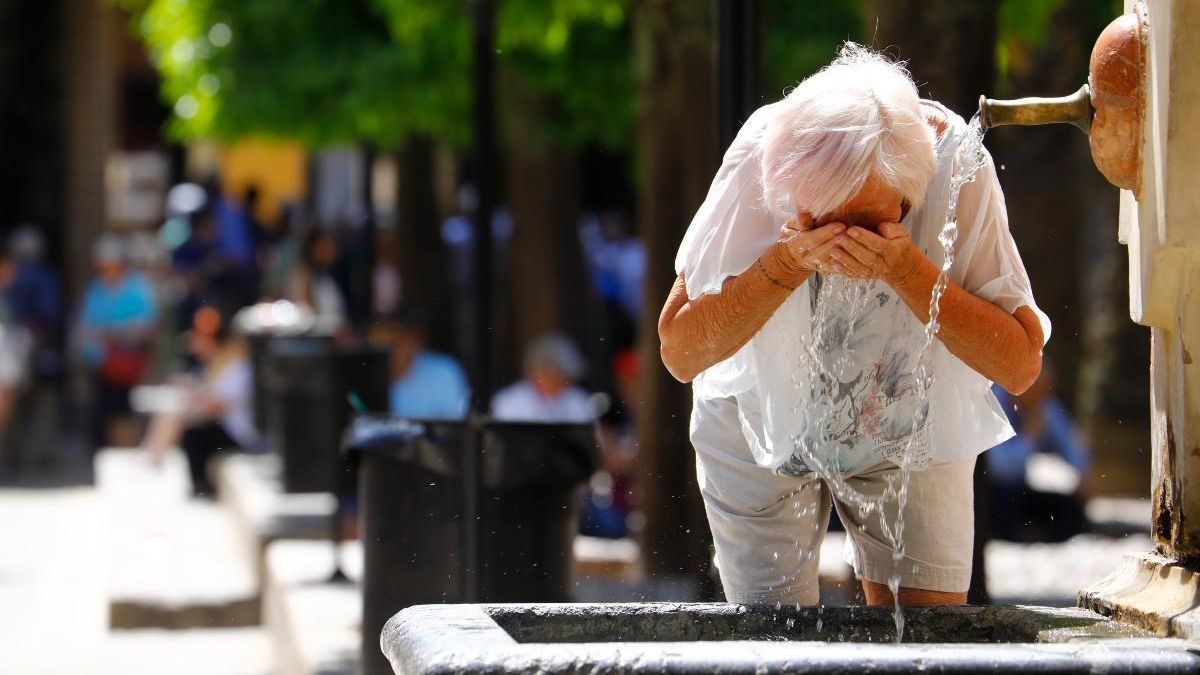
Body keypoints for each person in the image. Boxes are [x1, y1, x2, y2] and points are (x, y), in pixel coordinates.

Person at [657, 45, 1049, 607]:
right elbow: (680, 350)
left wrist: (909, 270)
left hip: (910, 415)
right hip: (759, 417)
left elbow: (1019, 365)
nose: (840, 241)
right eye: (818, 218)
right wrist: (785, 263)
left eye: (865, 222)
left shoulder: (957, 168)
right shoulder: (763, 154)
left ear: (913, 192)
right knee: (775, 643)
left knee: (926, 643)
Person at [987, 365, 1091, 542]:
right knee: (1004, 501)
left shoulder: (1043, 406)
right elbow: (1000, 467)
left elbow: (1071, 445)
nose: (1042, 398)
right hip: (995, 490)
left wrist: (1084, 474)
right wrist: (1029, 437)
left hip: (1023, 488)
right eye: (1037, 392)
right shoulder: (993, 403)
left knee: (1071, 509)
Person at [76, 235, 159, 450]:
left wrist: (117, 334)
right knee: (101, 409)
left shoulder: (138, 287)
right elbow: (85, 324)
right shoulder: (96, 288)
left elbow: (147, 325)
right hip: (100, 362)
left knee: (125, 410)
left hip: (129, 364)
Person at [491, 333, 595, 423]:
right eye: (558, 375)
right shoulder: (509, 402)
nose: (564, 383)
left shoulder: (579, 400)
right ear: (541, 372)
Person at [386, 308, 469, 420]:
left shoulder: (443, 370)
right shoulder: (370, 375)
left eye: (400, 340)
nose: (394, 348)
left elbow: (454, 423)